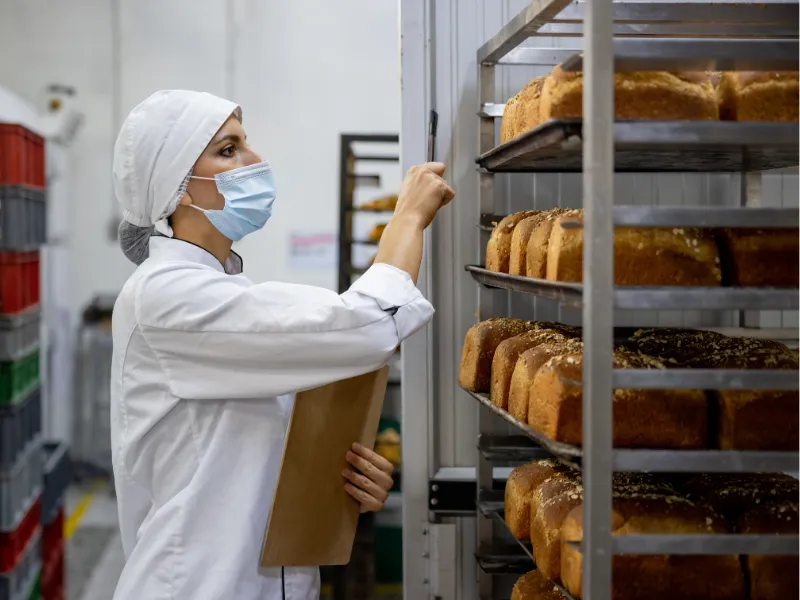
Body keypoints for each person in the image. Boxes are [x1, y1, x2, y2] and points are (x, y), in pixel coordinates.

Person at [109, 90, 454, 600]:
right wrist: (407, 219)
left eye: (247, 144)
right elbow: (366, 325)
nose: (256, 161)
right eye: (229, 150)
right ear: (179, 186)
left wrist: (345, 479)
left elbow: (248, 449)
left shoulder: (220, 292)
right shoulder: (167, 296)